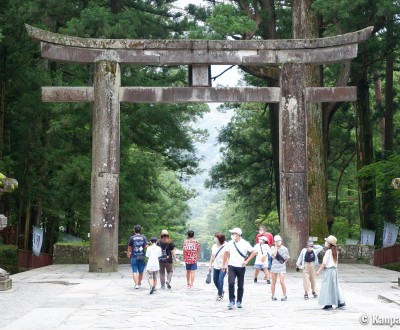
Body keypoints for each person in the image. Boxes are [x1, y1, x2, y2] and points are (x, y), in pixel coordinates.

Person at [222, 227, 253, 310]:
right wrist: (224, 264)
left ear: (238, 234)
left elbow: (254, 252)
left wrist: (247, 261)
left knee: (240, 285)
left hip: (241, 267)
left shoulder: (245, 243)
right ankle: (231, 300)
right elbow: (226, 253)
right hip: (231, 266)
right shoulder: (230, 243)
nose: (232, 235)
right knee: (231, 282)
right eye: (232, 234)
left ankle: (239, 301)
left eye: (233, 233)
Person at [316, 235, 346, 310]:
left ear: (329, 244)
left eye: (326, 242)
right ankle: (340, 301)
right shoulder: (335, 252)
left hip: (329, 271)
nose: (325, 243)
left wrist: (319, 271)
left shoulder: (328, 252)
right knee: (335, 286)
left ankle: (328, 303)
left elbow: (324, 263)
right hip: (334, 271)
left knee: (327, 286)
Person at [127, 225, 148, 289]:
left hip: (134, 255)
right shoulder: (143, 237)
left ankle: (136, 284)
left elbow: (129, 246)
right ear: (140, 230)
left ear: (134, 230)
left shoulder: (132, 238)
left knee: (134, 270)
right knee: (141, 271)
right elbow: (146, 246)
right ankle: (139, 282)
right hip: (141, 255)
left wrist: (129, 253)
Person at [270, 234, 290, 301]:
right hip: (274, 266)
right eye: (276, 241)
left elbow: (287, 258)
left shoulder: (285, 249)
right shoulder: (272, 248)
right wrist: (275, 247)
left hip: (281, 267)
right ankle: (273, 295)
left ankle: (284, 295)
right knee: (274, 281)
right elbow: (274, 255)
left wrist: (283, 263)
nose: (278, 242)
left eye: (279, 241)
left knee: (282, 281)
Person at [209, 232, 227, 301]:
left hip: (223, 266)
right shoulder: (214, 246)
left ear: (220, 239)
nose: (215, 239)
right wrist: (210, 264)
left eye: (216, 237)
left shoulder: (226, 246)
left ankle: (220, 295)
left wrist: (226, 266)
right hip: (216, 266)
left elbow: (227, 256)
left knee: (220, 280)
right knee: (215, 280)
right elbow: (212, 255)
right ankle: (221, 290)